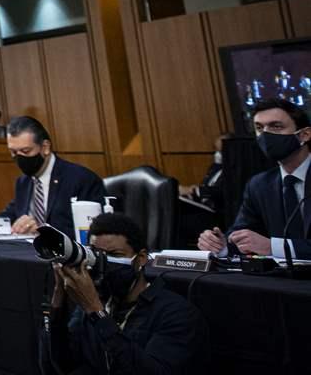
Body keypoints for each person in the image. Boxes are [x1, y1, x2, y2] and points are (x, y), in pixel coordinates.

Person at [41, 212, 203, 374]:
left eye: (114, 255)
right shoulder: (98, 302)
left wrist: (96, 312)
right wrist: (57, 304)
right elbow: (59, 366)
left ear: (141, 258)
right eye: (97, 255)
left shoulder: (176, 313)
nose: (103, 263)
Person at [196, 98, 309, 259]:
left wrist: (273, 247)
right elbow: (240, 234)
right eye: (259, 128)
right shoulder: (259, 184)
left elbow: (267, 247)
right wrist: (221, 246)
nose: (266, 134)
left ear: (304, 135)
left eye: (276, 126)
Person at [0, 115, 104, 236]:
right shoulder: (24, 182)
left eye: (25, 151)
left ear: (45, 147)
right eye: (13, 152)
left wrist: (43, 232)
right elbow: (11, 216)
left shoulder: (80, 179)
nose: (19, 158)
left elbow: (94, 232)